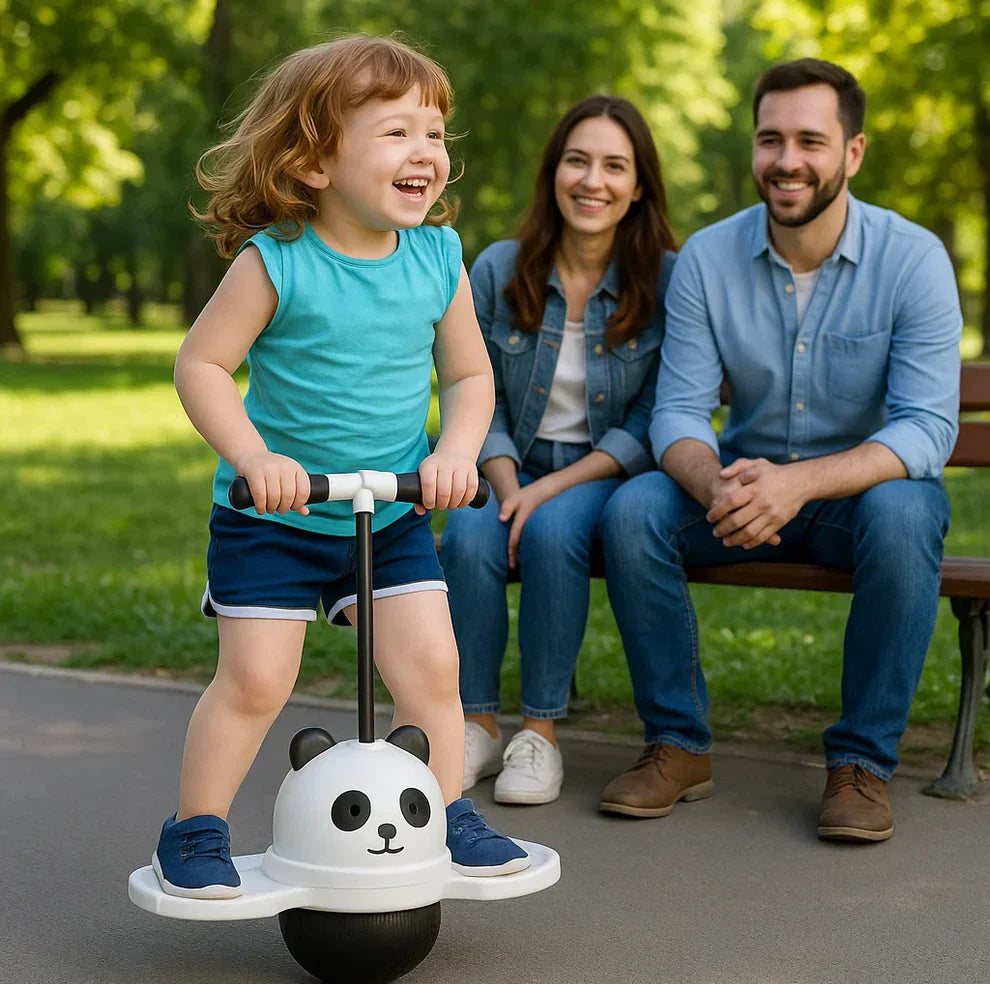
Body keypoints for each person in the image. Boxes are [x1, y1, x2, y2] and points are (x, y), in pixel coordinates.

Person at [153, 35, 530, 899]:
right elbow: (200, 366)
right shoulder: (277, 260)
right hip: (275, 517)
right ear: (315, 161)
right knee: (255, 680)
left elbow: (471, 375)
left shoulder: (438, 257)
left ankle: (446, 809)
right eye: (397, 133)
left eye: (435, 134)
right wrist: (255, 457)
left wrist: (456, 451)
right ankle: (196, 827)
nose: (426, 153)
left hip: (391, 510)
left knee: (432, 667)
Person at [598, 59, 961, 842]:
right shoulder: (706, 258)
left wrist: (796, 486)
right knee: (633, 512)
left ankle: (862, 765)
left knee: (907, 514)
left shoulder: (914, 259)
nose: (787, 159)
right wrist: (722, 488)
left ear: (853, 152)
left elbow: (927, 429)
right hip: (738, 489)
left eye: (810, 140)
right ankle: (677, 746)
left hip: (858, 500)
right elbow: (679, 414)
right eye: (771, 139)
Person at [440, 96, 677, 805]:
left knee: (552, 535)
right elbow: (474, 389)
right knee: (471, 533)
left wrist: (545, 492)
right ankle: (474, 725)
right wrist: (510, 481)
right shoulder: (500, 268)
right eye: (578, 160)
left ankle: (539, 736)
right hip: (501, 459)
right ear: (553, 173)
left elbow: (648, 417)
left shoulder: (664, 279)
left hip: (599, 468)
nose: (592, 180)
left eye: (614, 165)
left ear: (639, 186)